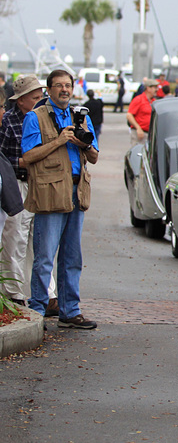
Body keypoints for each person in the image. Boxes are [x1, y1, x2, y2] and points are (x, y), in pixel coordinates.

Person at [22, 69, 99, 329]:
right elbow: (28, 156)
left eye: (68, 85)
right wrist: (59, 140)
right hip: (50, 193)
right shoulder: (36, 117)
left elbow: (94, 157)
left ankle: (70, 311)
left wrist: (83, 143)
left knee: (71, 256)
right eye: (59, 86)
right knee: (44, 256)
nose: (64, 90)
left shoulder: (81, 116)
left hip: (77, 193)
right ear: (49, 90)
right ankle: (37, 311)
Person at [0, 75, 53, 311]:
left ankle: (47, 293)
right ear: (20, 100)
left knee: (41, 240)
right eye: (34, 97)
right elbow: (3, 159)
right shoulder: (8, 121)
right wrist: (23, 162)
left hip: (38, 184)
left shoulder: (44, 118)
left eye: (40, 95)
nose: (39, 100)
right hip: (18, 184)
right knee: (15, 239)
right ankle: (14, 291)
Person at [127, 79, 160, 143]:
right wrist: (138, 128)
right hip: (140, 133)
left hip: (150, 134)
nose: (157, 90)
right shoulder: (138, 99)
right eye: (155, 87)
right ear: (148, 88)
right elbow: (129, 115)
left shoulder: (154, 101)